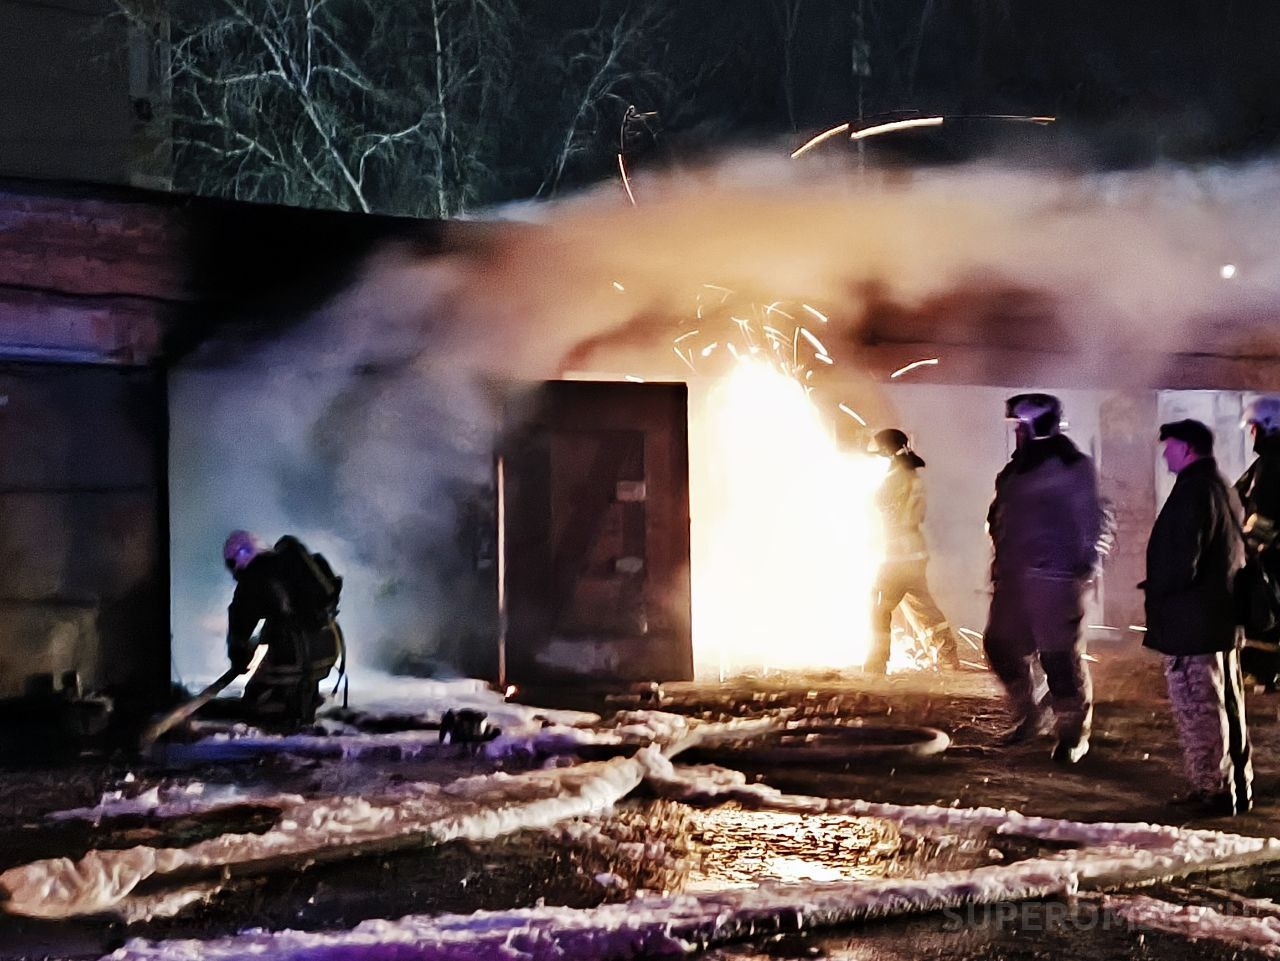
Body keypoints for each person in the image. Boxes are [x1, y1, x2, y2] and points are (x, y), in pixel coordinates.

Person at [984, 393, 1105, 764]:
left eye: (1021, 425)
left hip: (1053, 577)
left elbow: (1093, 518)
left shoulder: (1071, 466)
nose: (1017, 432)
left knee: (1059, 659)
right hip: (1014, 577)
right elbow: (1000, 516)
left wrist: (1084, 564)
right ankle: (1030, 715)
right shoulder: (1016, 469)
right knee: (1000, 646)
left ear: (1034, 425)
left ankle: (1072, 736)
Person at [1141, 419, 1251, 816]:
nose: (1165, 455)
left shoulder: (1193, 492)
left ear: (1187, 448)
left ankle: (1213, 789)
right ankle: (1235, 785)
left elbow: (1179, 560)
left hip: (1193, 623)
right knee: (1226, 704)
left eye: (1169, 447)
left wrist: (1158, 590)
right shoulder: (1221, 487)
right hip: (1218, 618)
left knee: (1199, 707)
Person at [223, 530, 345, 725]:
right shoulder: (296, 564)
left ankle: (284, 721)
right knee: (300, 685)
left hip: (295, 656)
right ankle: (304, 707)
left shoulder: (253, 578)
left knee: (257, 701)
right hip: (328, 648)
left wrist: (239, 658)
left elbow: (240, 628)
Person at [865, 428, 962, 674]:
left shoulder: (895, 478)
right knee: (923, 607)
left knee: (878, 605)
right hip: (914, 553)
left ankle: (876, 664)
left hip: (897, 555)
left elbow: (882, 509)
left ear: (886, 451)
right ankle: (947, 657)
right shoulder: (910, 475)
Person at [1235, 396, 1280, 690]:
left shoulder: (1272, 464)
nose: (1252, 434)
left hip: (1272, 559)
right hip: (1271, 557)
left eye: (1254, 427)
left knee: (1266, 617)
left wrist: (1245, 549)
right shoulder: (1266, 463)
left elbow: (1264, 516)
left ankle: (1267, 674)